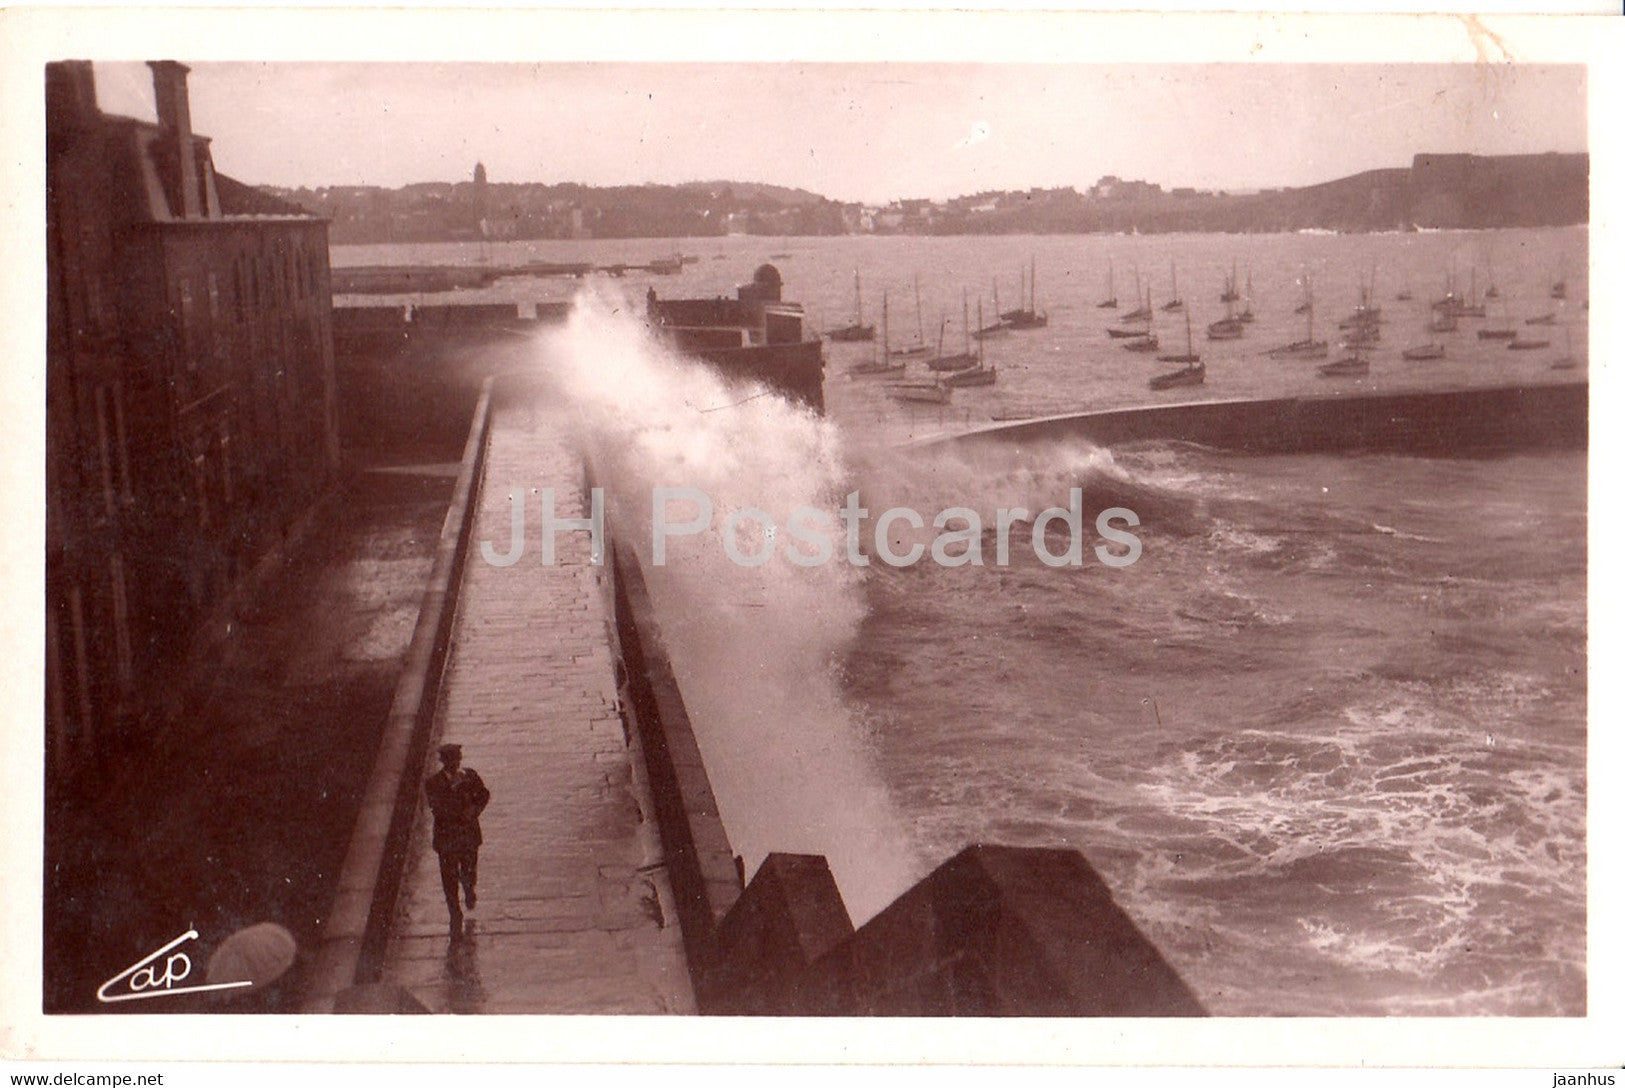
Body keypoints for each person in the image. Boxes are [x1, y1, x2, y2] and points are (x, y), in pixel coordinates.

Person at [424, 742, 490, 935]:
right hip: (447, 839)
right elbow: (437, 809)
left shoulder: (470, 776)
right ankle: (454, 911)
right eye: (451, 760)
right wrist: (458, 809)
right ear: (444, 762)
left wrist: (475, 810)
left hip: (468, 835)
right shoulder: (433, 783)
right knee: (449, 878)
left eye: (457, 760)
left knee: (469, 869)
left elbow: (484, 795)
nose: (455, 764)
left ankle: (469, 889)